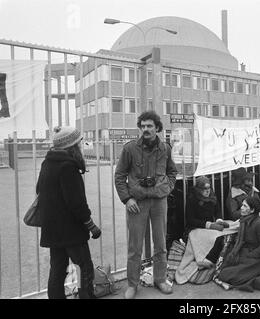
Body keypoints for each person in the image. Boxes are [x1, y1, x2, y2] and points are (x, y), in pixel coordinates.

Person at [115, 110, 178, 298]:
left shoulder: (165, 149)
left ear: (157, 128)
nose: (146, 130)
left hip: (159, 201)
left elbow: (172, 171)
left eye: (150, 126)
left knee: (160, 243)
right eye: (142, 126)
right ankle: (133, 285)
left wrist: (167, 188)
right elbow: (119, 176)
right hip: (137, 202)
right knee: (135, 247)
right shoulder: (130, 149)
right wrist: (127, 199)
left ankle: (160, 279)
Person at [37, 126, 101, 299]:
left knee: (57, 269)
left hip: (52, 229)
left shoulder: (48, 163)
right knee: (83, 269)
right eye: (78, 143)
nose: (80, 146)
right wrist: (91, 225)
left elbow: (39, 191)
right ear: (72, 145)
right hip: (71, 231)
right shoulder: (67, 167)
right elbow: (77, 203)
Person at [218, 196, 260, 292]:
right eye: (242, 205)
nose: (241, 208)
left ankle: (251, 282)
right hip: (245, 252)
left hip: (258, 258)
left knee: (225, 275)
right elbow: (239, 236)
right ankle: (248, 280)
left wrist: (251, 255)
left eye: (244, 206)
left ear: (252, 210)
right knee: (222, 272)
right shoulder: (244, 220)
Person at [184, 176, 227, 241]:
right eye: (204, 189)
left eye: (209, 188)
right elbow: (190, 219)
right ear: (198, 189)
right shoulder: (192, 198)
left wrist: (219, 220)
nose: (207, 191)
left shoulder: (212, 197)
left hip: (209, 228)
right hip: (195, 228)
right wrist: (207, 225)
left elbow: (217, 210)